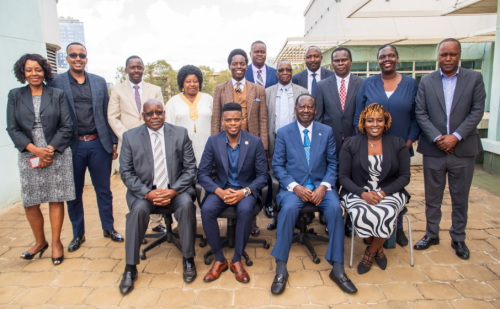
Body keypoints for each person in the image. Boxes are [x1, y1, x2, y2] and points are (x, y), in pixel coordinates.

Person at [270, 94, 357, 295]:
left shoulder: (326, 132)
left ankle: (338, 269)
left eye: (310, 107)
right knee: (289, 209)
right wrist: (294, 186)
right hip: (294, 189)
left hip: (321, 188)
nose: (306, 110)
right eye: (302, 107)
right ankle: (281, 268)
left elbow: (333, 163)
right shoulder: (284, 133)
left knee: (336, 209)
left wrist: (324, 186)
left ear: (315, 110)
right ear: (296, 109)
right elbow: (278, 166)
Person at [414, 38, 485, 260]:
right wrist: (438, 137)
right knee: (432, 197)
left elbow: (477, 110)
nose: (447, 58)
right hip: (434, 150)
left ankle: (458, 238)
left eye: (452, 54)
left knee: (460, 196)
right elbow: (421, 113)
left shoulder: (474, 78)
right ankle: (431, 234)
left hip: (463, 150)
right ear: (438, 56)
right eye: (444, 54)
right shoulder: (426, 81)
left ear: (459, 55)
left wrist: (455, 136)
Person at [118, 99, 198, 294]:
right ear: (142, 116)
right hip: (145, 193)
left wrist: (173, 191)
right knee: (136, 212)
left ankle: (188, 259)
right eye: (149, 113)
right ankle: (130, 267)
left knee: (187, 205)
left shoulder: (180, 134)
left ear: (164, 113)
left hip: (176, 191)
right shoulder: (130, 137)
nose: (155, 117)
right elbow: (126, 172)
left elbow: (190, 169)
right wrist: (148, 193)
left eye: (158, 112)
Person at [49, 42, 122, 252]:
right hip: (72, 147)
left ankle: (108, 228)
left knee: (104, 190)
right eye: (73, 55)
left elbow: (107, 114)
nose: (78, 58)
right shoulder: (57, 82)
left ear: (86, 59)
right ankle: (78, 234)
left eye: (82, 55)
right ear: (67, 58)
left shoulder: (99, 82)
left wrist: (113, 143)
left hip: (99, 143)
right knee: (74, 192)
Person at [7, 54, 74, 266]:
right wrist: (35, 150)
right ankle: (40, 241)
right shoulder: (15, 95)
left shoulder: (57, 94)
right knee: (31, 201)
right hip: (29, 151)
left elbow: (66, 125)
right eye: (29, 70)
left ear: (44, 71)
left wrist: (49, 149)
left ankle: (56, 243)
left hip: (56, 150)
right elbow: (12, 128)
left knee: (56, 197)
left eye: (38, 69)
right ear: (23, 73)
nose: (34, 74)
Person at [353, 44, 421, 246]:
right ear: (378, 61)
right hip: (371, 148)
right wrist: (363, 144)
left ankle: (396, 227)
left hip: (401, 147)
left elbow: (416, 116)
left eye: (391, 56)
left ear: (397, 59)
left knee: (395, 186)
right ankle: (372, 226)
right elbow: (358, 115)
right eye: (383, 57)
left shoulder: (410, 84)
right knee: (372, 184)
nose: (387, 59)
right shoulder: (368, 84)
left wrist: (407, 144)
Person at [198, 103, 268, 284]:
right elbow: (202, 174)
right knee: (206, 210)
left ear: (242, 120)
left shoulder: (255, 142)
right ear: (222, 121)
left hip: (245, 190)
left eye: (237, 119)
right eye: (228, 120)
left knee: (245, 211)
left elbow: (263, 176)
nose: (233, 123)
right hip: (222, 188)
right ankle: (220, 259)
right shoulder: (213, 141)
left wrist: (244, 192)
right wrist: (219, 192)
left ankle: (237, 259)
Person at [339, 103, 411, 274]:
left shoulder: (397, 143)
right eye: (370, 120)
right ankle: (378, 248)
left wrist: (382, 193)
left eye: (380, 120)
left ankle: (370, 252)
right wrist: (363, 194)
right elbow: (342, 177)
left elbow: (405, 176)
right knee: (361, 212)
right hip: (357, 191)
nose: (375, 124)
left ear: (386, 122)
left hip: (390, 191)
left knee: (385, 212)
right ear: (363, 123)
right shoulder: (351, 144)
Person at [211, 48, 267, 237]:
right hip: (228, 143)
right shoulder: (220, 89)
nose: (239, 66)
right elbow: (215, 119)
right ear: (229, 66)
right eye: (235, 63)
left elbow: (263, 119)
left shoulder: (258, 89)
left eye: (242, 63)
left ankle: (250, 221)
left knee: (250, 183)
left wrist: (264, 147)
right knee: (230, 179)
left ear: (247, 64)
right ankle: (231, 224)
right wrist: (215, 146)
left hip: (252, 146)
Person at [108, 55, 166, 234]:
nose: (136, 70)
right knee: (134, 180)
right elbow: (112, 116)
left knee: (155, 179)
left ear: (143, 69)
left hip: (154, 141)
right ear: (126, 70)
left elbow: (160, 113)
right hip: (129, 143)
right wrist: (127, 137)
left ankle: (156, 222)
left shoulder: (154, 89)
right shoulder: (117, 90)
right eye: (132, 67)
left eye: (139, 67)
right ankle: (139, 218)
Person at [315, 47, 363, 232]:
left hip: (354, 141)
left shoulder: (361, 83)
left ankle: (351, 218)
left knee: (354, 180)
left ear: (350, 61)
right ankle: (329, 217)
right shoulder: (322, 85)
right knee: (331, 180)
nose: (340, 63)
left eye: (344, 60)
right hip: (330, 142)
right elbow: (318, 118)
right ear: (331, 63)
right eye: (337, 60)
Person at [265, 59, 308, 230]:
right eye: (281, 69)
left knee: (297, 175)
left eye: (288, 69)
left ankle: (298, 216)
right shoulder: (267, 92)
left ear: (292, 72)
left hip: (296, 142)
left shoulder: (302, 91)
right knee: (275, 177)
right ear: (276, 73)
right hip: (274, 140)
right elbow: (264, 118)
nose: (284, 72)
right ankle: (277, 215)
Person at [245, 40, 278, 222]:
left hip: (270, 128)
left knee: (269, 169)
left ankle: (268, 204)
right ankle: (254, 205)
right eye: (256, 51)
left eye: (263, 52)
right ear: (250, 53)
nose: (259, 54)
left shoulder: (274, 73)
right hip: (250, 130)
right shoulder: (244, 72)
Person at [165, 65, 213, 165]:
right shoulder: (172, 102)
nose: (192, 84)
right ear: (182, 83)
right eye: (188, 81)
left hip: (208, 149)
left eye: (195, 81)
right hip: (182, 152)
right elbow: (168, 128)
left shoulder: (208, 99)